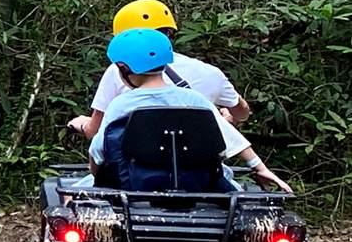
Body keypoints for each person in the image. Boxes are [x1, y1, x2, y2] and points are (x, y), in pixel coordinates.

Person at [87, 28, 291, 193]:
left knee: (70, 195)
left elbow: (98, 152)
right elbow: (229, 137)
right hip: (198, 186)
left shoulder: (121, 105)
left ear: (123, 68)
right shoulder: (193, 99)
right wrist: (260, 168)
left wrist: (98, 177)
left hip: (133, 185)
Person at [68, 0, 252, 139]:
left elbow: (97, 131)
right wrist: (227, 117)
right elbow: (241, 112)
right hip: (199, 174)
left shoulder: (119, 71)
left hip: (136, 173)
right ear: (169, 33)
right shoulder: (209, 73)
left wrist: (82, 124)